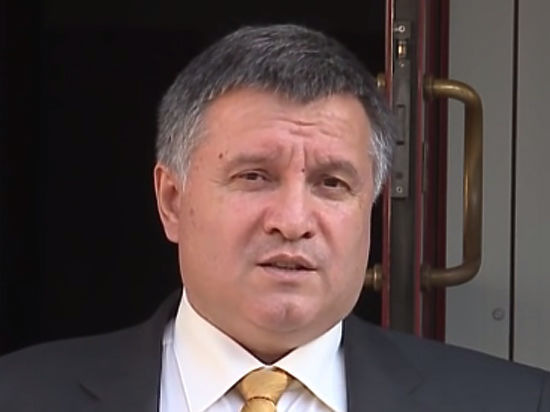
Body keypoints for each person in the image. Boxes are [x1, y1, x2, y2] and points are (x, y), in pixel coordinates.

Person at [0, 23, 549, 412]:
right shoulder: (20, 395)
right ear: (171, 200)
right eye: (254, 176)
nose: (292, 220)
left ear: (371, 208)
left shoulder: (514, 403)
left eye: (331, 184)